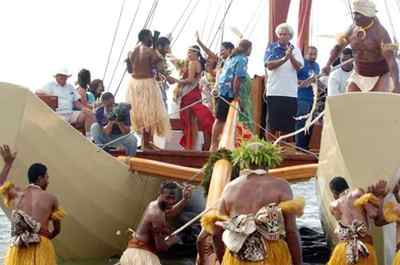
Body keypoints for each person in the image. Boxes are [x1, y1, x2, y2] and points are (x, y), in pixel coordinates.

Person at [201, 139, 303, 265]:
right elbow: (291, 231)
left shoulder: (230, 188)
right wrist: (299, 263)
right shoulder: (281, 186)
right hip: (272, 255)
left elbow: (217, 232)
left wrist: (223, 260)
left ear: (244, 161)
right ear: (270, 162)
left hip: (237, 255)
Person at [0, 145, 65, 265]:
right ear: (40, 178)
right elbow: (57, 229)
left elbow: (1, 184)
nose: (48, 181)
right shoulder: (51, 198)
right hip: (41, 246)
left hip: (19, 246)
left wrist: (8, 164)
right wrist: (47, 237)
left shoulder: (18, 194)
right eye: (47, 177)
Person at [322, 0, 400, 93]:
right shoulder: (352, 29)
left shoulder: (380, 33)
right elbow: (338, 47)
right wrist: (328, 64)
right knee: (352, 101)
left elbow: (391, 60)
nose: (354, 18)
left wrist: (396, 84)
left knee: (377, 104)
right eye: (354, 14)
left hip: (380, 75)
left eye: (358, 15)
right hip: (359, 75)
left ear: (368, 16)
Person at [119, 182, 192, 265]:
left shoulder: (154, 204)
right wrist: (173, 240)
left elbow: (170, 213)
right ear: (160, 193)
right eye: (168, 198)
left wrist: (185, 199)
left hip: (133, 253)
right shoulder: (157, 215)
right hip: (142, 256)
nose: (171, 201)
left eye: (173, 198)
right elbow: (160, 247)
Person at [327, 176, 388, 265]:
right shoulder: (358, 193)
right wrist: (380, 197)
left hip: (343, 249)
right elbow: (373, 214)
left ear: (334, 193)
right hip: (364, 247)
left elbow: (338, 218)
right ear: (347, 186)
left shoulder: (333, 205)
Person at [127, 29, 170, 149]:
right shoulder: (150, 51)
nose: (151, 39)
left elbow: (130, 70)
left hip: (134, 84)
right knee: (151, 114)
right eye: (150, 37)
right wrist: (156, 50)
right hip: (147, 84)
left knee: (140, 114)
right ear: (145, 37)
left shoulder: (131, 52)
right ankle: (147, 142)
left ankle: (145, 141)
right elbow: (160, 68)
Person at [168, 46, 215, 150]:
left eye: (190, 53)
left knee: (187, 120)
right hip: (193, 93)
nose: (188, 55)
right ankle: (191, 145)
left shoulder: (193, 63)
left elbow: (190, 80)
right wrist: (170, 53)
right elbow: (178, 63)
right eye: (187, 53)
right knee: (190, 121)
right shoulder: (194, 63)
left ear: (196, 54)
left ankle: (190, 145)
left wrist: (176, 80)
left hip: (190, 94)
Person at [210, 40, 252, 151]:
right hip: (228, 93)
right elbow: (237, 79)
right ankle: (214, 145)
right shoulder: (242, 59)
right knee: (221, 119)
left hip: (222, 91)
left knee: (221, 119)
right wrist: (236, 95)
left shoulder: (231, 58)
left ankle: (216, 144)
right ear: (248, 49)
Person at [264, 23, 304, 140]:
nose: (282, 36)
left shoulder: (295, 50)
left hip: (290, 92)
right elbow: (269, 65)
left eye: (285, 34)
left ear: (290, 36)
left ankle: (284, 150)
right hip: (274, 91)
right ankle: (269, 148)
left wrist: (290, 56)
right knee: (272, 123)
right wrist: (284, 59)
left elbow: (298, 67)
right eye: (280, 34)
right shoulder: (271, 48)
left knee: (288, 125)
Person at [38, 68, 95, 137]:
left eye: (65, 76)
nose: (63, 77)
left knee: (89, 113)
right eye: (61, 76)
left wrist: (84, 108)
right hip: (57, 115)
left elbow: (76, 103)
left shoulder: (70, 87)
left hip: (70, 113)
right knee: (61, 123)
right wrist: (50, 97)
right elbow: (38, 93)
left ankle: (88, 138)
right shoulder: (50, 85)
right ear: (56, 76)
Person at [295, 46, 320, 150]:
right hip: (302, 97)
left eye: (315, 54)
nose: (313, 56)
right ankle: (299, 146)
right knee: (301, 122)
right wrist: (305, 82)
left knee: (311, 122)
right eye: (310, 54)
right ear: (305, 54)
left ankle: (305, 146)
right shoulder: (301, 64)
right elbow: (293, 79)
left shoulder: (317, 66)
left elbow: (317, 79)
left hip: (313, 99)